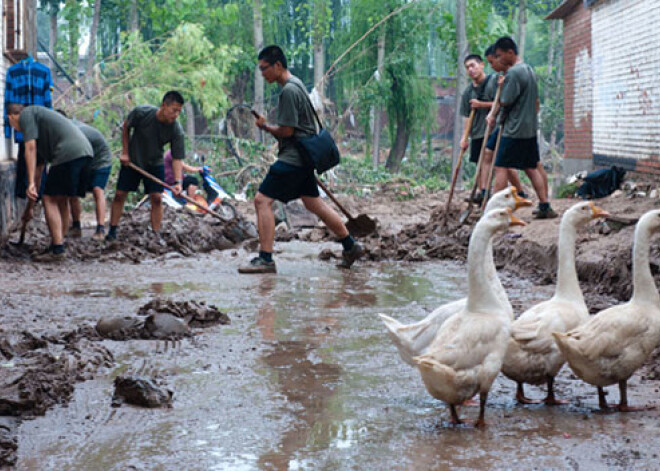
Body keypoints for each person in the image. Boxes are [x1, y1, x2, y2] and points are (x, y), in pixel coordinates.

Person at [239, 45, 363, 274]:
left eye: (264, 68)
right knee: (313, 203)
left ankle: (265, 259)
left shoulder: (288, 90)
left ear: (278, 65)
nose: (263, 73)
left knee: (261, 200)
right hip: (304, 157)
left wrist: (265, 126)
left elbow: (287, 131)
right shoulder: (296, 84)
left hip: (293, 157)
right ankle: (350, 245)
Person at [6, 104, 93, 261]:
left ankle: (57, 249)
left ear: (11, 117)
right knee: (61, 199)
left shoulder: (26, 115)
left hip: (69, 153)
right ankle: (59, 242)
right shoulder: (42, 132)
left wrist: (30, 182)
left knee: (49, 199)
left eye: (11, 124)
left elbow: (30, 149)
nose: (15, 129)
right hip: (85, 152)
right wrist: (29, 208)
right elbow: (39, 172)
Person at [486, 37, 557, 219]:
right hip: (529, 129)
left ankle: (493, 210)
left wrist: (501, 89)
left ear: (511, 52)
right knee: (530, 167)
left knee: (501, 166)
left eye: (501, 55)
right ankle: (544, 205)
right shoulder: (529, 70)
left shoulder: (514, 73)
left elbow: (506, 100)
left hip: (514, 129)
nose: (499, 59)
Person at [106, 91, 186, 241]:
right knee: (120, 194)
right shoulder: (142, 113)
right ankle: (112, 231)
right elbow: (126, 126)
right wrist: (125, 152)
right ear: (164, 105)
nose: (176, 115)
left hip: (155, 163)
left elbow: (177, 158)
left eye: (179, 112)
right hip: (133, 160)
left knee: (156, 198)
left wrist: (178, 182)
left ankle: (155, 235)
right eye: (173, 110)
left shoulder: (176, 130)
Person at [56, 111, 112, 241]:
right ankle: (76, 227)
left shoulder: (75, 132)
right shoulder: (63, 133)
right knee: (72, 193)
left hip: (100, 160)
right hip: (84, 159)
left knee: (97, 190)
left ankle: (100, 228)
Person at [459, 54, 497, 204]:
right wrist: (464, 137)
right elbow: (467, 116)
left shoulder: (493, 82)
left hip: (493, 129)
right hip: (476, 132)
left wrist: (481, 105)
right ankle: (482, 192)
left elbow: (501, 102)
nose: (470, 69)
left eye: (473, 65)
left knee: (490, 161)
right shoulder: (468, 91)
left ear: (482, 65)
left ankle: (488, 191)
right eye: (467, 67)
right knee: (479, 163)